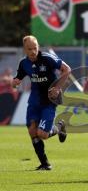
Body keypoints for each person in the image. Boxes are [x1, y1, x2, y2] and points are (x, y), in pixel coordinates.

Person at [12, 35, 71, 170]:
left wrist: (57, 87)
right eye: (29, 49)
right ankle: (45, 164)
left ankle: (59, 126)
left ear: (38, 47)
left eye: (35, 48)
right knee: (32, 131)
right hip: (34, 101)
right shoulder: (24, 63)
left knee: (42, 134)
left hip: (49, 100)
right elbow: (17, 79)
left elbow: (66, 69)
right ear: (25, 49)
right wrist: (14, 82)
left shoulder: (47, 58)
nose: (33, 51)